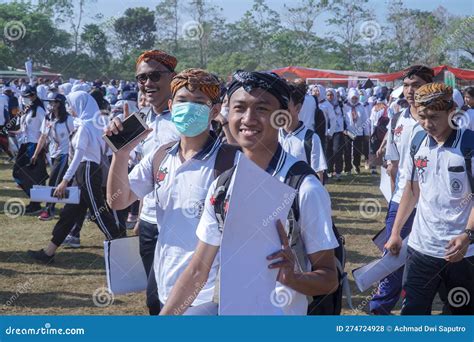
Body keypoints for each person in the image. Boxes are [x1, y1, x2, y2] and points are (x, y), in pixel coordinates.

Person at [160, 70, 339, 315]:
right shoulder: (223, 184)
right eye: (239, 108)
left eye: (262, 109)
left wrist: (293, 278)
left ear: (282, 116)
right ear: (227, 113)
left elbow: (329, 278)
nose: (248, 118)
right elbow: (197, 270)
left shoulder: (303, 188)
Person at [106, 68, 238, 312]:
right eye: (182, 100)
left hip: (210, 293)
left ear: (215, 111)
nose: (189, 107)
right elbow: (119, 200)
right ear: (171, 104)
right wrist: (121, 154)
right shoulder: (161, 155)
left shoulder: (231, 161)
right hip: (166, 279)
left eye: (199, 102)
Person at [385, 83, 474, 315]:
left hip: (462, 254)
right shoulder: (418, 141)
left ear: (452, 112)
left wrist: (468, 235)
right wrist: (396, 232)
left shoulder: (469, 145)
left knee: (460, 319)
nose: (427, 124)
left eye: (434, 117)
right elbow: (412, 191)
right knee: (412, 315)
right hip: (420, 249)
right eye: (422, 117)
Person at [27, 91, 125, 264]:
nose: (69, 108)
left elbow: (79, 155)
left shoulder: (85, 126)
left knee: (98, 211)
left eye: (71, 104)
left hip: (87, 170)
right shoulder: (92, 124)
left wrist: (65, 180)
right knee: (69, 214)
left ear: (79, 105)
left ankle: (123, 250)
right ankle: (49, 252)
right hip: (86, 170)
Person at [369, 65, 434, 314]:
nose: (409, 91)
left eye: (415, 85)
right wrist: (395, 203)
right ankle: (379, 310)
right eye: (406, 85)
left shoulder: (442, 122)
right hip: (402, 201)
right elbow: (393, 166)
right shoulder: (397, 118)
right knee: (393, 255)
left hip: (433, 205)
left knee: (429, 261)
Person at [31, 93, 74, 221]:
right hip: (53, 154)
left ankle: (49, 210)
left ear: (60, 104)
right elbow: (43, 136)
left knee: (54, 181)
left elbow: (76, 136)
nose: (50, 105)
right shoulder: (48, 118)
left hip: (65, 154)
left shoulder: (69, 120)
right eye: (49, 102)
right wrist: (36, 153)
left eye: (53, 102)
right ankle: (74, 210)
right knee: (70, 183)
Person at [279, 80, 327, 181]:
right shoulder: (272, 135)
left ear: (298, 108)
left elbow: (318, 173)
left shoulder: (311, 139)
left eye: (286, 107)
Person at [11, 85, 48, 214]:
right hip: (25, 144)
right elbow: (23, 129)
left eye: (26, 96)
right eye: (22, 96)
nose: (23, 99)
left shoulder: (39, 110)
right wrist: (12, 132)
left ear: (33, 96)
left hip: (34, 145)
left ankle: (35, 203)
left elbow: (45, 131)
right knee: (17, 173)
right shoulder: (27, 109)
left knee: (32, 176)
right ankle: (35, 200)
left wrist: (40, 150)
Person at [343, 88, 369, 175]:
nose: (354, 100)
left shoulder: (361, 107)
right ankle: (348, 168)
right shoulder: (345, 106)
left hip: (359, 132)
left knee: (357, 151)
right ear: (349, 97)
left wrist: (366, 133)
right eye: (352, 98)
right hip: (347, 132)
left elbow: (365, 120)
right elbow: (342, 119)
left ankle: (356, 166)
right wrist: (344, 129)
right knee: (347, 150)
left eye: (356, 98)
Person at [326, 88, 346, 180]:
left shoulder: (340, 105)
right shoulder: (324, 105)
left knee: (337, 150)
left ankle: (338, 171)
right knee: (328, 151)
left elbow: (345, 117)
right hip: (327, 131)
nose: (330, 97)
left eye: (331, 95)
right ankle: (329, 170)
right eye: (328, 95)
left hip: (338, 131)